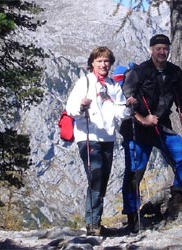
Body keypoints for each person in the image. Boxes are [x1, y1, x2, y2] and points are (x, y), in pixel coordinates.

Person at [120, 34, 182, 234]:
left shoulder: (175, 72)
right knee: (135, 171)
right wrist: (143, 119)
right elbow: (126, 100)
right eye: (158, 48)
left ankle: (178, 199)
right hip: (137, 127)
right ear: (151, 50)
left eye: (165, 48)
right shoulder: (138, 72)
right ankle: (131, 215)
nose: (162, 52)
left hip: (161, 126)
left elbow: (181, 98)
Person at [65, 46, 129, 236]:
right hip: (88, 137)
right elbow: (71, 110)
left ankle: (96, 222)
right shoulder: (83, 83)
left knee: (103, 179)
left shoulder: (113, 86)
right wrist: (81, 105)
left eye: (106, 61)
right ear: (92, 63)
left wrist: (128, 106)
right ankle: (92, 225)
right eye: (99, 61)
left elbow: (120, 112)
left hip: (107, 138)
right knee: (96, 177)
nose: (103, 64)